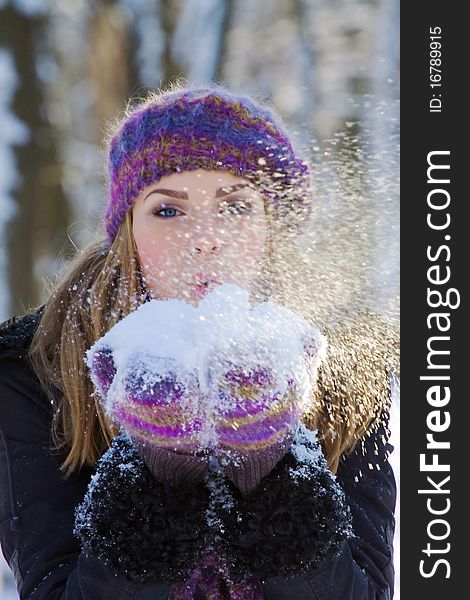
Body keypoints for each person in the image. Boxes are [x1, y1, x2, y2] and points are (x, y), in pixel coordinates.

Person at [0, 83, 398, 599]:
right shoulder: (36, 371)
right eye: (168, 211)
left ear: (271, 226)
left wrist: (270, 463)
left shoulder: (343, 371)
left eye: (234, 207)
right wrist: (159, 469)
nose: (204, 237)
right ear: (128, 230)